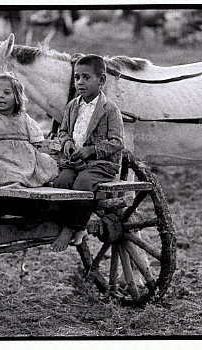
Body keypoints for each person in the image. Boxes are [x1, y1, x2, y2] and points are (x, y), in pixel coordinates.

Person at [51, 54, 124, 252]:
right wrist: (67, 144)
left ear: (101, 81)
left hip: (101, 165)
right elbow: (63, 131)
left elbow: (117, 142)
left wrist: (91, 150)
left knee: (82, 185)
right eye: (77, 78)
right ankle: (68, 221)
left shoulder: (110, 110)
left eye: (86, 78)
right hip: (74, 162)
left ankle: (73, 227)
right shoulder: (72, 106)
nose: (80, 83)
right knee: (60, 183)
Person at [0, 73, 59, 197]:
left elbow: (37, 140)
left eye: (7, 93)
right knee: (6, 174)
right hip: (0, 162)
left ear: (17, 98)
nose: (0, 96)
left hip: (24, 162)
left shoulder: (24, 118)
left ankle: (29, 179)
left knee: (44, 166)